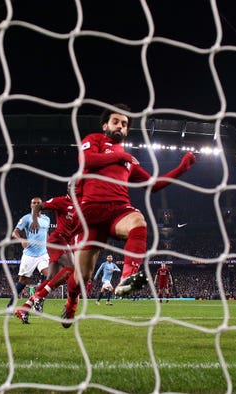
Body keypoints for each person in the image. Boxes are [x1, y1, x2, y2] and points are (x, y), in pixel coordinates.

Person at [61, 103, 196, 328]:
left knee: (138, 222)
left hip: (118, 211)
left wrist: (182, 168)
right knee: (83, 276)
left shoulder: (128, 161)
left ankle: (127, 277)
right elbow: (87, 161)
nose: (120, 126)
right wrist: (117, 157)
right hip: (90, 215)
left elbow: (153, 185)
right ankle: (71, 303)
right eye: (116, 121)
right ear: (105, 125)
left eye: (124, 124)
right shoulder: (94, 140)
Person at [15, 185, 79, 323]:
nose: (76, 188)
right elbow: (38, 207)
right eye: (73, 186)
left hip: (66, 242)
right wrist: (35, 219)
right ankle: (40, 296)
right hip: (58, 240)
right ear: (68, 189)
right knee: (72, 268)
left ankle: (25, 308)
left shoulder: (82, 204)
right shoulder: (61, 201)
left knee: (51, 278)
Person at [7, 197, 50, 309]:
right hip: (29, 255)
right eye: (33, 203)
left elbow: (46, 235)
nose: (36, 204)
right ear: (31, 205)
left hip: (43, 254)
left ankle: (38, 302)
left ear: (42, 205)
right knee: (23, 281)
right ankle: (10, 306)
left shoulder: (46, 219)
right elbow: (14, 232)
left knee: (50, 276)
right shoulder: (26, 218)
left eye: (38, 203)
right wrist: (21, 240)